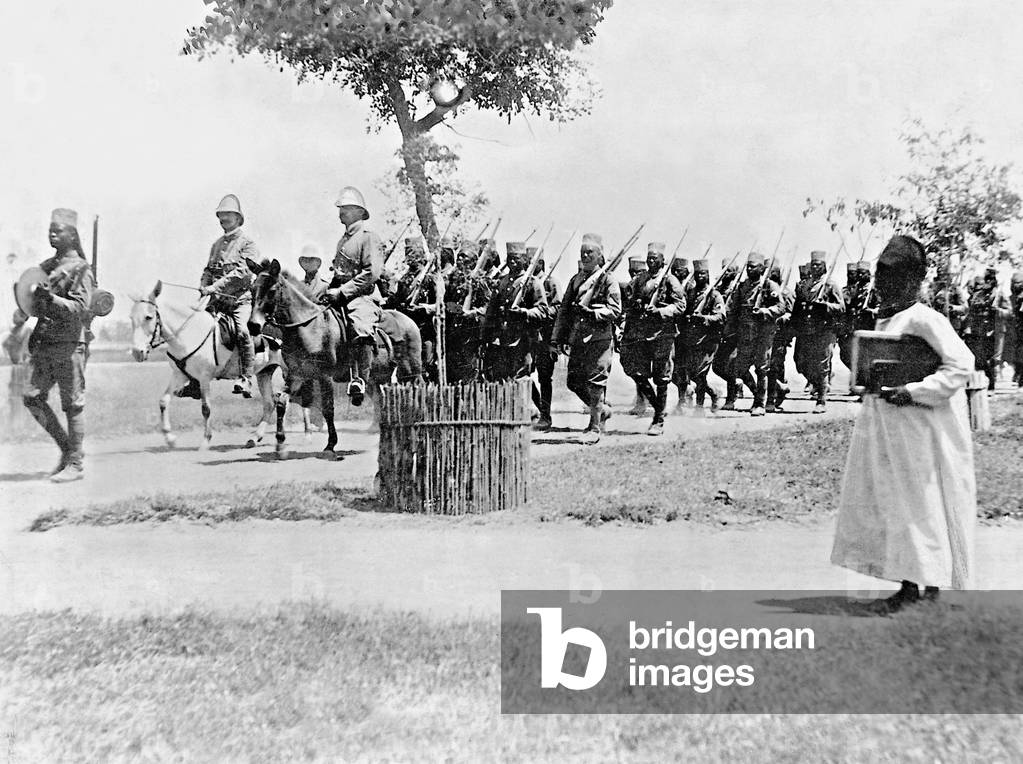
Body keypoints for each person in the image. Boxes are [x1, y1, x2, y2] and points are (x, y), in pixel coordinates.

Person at [831, 234, 976, 612]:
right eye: (882, 279)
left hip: (922, 431)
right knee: (896, 503)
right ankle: (911, 583)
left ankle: (926, 586)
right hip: (888, 428)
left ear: (914, 282)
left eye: (893, 280)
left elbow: (961, 365)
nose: (883, 287)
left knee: (921, 503)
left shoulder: (926, 318)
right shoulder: (887, 318)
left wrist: (914, 391)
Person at [22, 208, 95, 482]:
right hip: (46, 342)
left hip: (69, 343)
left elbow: (80, 308)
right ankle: (68, 451)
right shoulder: (46, 267)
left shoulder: (82, 270)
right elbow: (30, 300)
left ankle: (75, 464)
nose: (52, 233)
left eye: (59, 229)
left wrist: (51, 299)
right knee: (32, 397)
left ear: (73, 235)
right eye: (50, 228)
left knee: (73, 404)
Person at [552, 233, 622, 443]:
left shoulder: (608, 280)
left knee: (595, 382)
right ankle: (601, 411)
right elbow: (564, 311)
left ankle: (594, 427)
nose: (585, 256)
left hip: (599, 339)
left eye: (590, 252)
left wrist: (593, 312)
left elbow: (615, 310)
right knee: (574, 382)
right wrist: (557, 338)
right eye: (582, 252)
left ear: (600, 256)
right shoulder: (576, 280)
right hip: (578, 338)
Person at [325, 185, 384, 400]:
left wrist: (343, 291)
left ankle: (360, 378)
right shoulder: (343, 240)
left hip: (363, 296)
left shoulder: (369, 237)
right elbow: (339, 273)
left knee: (359, 325)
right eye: (341, 208)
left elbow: (372, 273)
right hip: (341, 294)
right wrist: (328, 290)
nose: (342, 212)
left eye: (348, 208)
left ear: (360, 212)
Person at [620, 242, 685, 435]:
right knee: (636, 371)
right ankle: (658, 406)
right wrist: (637, 304)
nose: (651, 261)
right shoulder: (640, 279)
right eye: (649, 257)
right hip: (641, 333)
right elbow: (630, 300)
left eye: (655, 258)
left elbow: (680, 306)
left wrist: (660, 311)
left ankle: (658, 420)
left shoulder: (670, 281)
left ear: (663, 261)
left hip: (662, 334)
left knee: (661, 376)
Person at [200, 193, 258, 398]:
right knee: (196, 329)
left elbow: (242, 273)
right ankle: (194, 379)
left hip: (240, 301)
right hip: (217, 303)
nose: (224, 219)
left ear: (238, 218)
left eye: (228, 215)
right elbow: (208, 270)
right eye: (221, 215)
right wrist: (203, 285)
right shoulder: (216, 245)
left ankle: (246, 378)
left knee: (242, 332)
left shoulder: (247, 244)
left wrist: (213, 287)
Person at [725, 252, 786, 416]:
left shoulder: (769, 285)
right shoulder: (742, 286)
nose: (749, 269)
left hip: (763, 332)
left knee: (761, 368)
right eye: (748, 266)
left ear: (761, 268)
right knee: (740, 367)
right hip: (745, 332)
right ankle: (768, 392)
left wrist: (765, 311)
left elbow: (781, 307)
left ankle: (759, 403)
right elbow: (734, 309)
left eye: (753, 266)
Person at [480, 241, 547, 382]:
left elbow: (542, 311)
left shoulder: (533, 283)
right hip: (500, 340)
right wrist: (485, 335)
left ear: (524, 260)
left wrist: (523, 312)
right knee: (500, 380)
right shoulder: (501, 282)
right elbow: (491, 312)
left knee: (519, 380)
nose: (512, 262)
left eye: (516, 259)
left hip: (522, 340)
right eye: (509, 258)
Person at [790, 250, 845, 413]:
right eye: (812, 264)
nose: (814, 267)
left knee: (822, 364)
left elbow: (841, 307)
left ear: (824, 267)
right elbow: (798, 306)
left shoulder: (830, 284)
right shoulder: (805, 284)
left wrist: (825, 306)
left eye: (818, 265)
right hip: (806, 328)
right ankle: (820, 383)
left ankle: (821, 400)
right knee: (800, 362)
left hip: (824, 329)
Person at [678, 258, 726, 413]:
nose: (700, 276)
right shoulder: (690, 293)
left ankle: (699, 408)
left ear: (708, 274)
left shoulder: (714, 295)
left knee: (700, 373)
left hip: (708, 341)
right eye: (697, 273)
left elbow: (720, 317)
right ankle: (713, 394)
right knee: (690, 373)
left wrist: (704, 319)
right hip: (691, 339)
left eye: (703, 273)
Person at [963, 266, 1011, 391]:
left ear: (994, 281)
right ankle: (988, 380)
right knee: (980, 358)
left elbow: (1009, 312)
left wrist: (997, 311)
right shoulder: (979, 294)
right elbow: (972, 309)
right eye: (986, 280)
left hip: (997, 330)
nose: (988, 282)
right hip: (981, 330)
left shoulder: (999, 295)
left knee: (995, 360)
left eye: (990, 280)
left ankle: (992, 384)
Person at [531, 249, 561, 431]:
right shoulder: (528, 283)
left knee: (544, 378)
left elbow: (558, 308)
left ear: (541, 263)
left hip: (546, 337)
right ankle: (538, 408)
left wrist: (543, 311)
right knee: (524, 376)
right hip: (529, 338)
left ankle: (545, 415)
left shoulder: (551, 282)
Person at [765, 263, 795, 412]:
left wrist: (782, 318)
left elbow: (791, 313)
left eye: (774, 273)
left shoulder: (786, 292)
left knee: (774, 367)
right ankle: (777, 390)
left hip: (779, 334)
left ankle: (773, 399)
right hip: (763, 333)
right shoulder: (764, 291)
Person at [622, 255, 649, 415]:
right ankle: (642, 399)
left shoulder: (650, 287)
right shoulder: (630, 287)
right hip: (633, 333)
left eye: (639, 272)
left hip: (650, 334)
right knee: (635, 368)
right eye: (633, 272)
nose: (636, 275)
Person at [1010, 271, 1023, 386]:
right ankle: (1018, 374)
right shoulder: (1013, 297)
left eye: (1018, 283)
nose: (1015, 285)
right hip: (1017, 328)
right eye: (1014, 283)